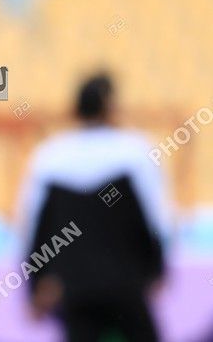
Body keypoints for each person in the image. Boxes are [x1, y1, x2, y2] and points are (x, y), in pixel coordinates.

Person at [17, 73, 171, 342]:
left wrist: (34, 284)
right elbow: (158, 219)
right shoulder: (135, 152)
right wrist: (158, 269)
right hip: (127, 285)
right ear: (110, 105)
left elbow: (33, 226)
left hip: (74, 290)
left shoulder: (50, 156)